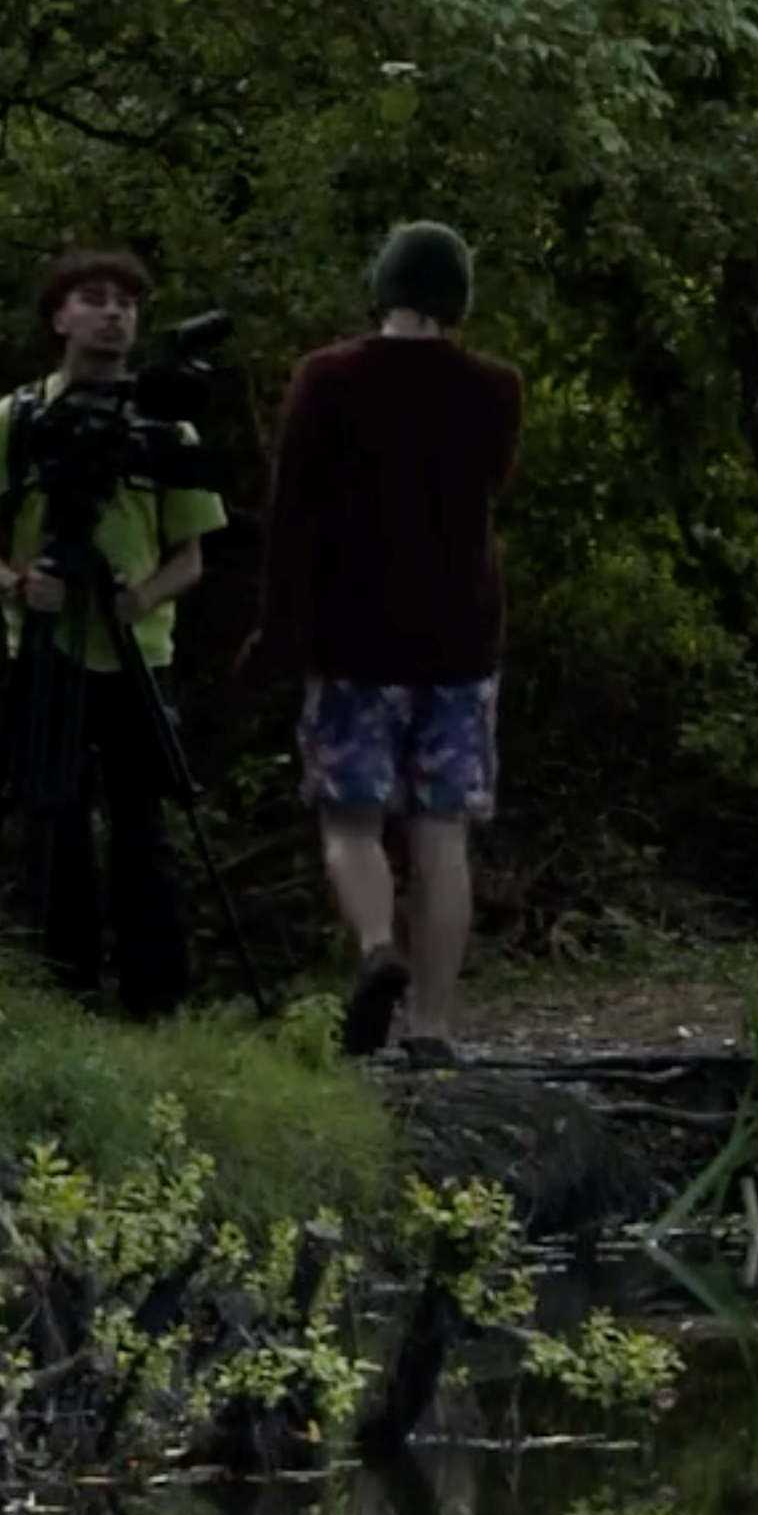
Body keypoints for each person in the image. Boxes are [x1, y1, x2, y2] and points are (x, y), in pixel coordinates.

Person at [247, 222, 522, 1063]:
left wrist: (276, 630)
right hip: (461, 643)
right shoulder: (495, 390)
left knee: (352, 821)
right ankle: (433, 1028)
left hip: (353, 641)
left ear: (384, 287)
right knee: (443, 834)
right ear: (458, 300)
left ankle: (375, 947)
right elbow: (492, 490)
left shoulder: (325, 380)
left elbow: (290, 515)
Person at [0, 245, 225, 1019]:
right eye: (94, 299)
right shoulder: (14, 421)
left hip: (141, 651)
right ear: (58, 316)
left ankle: (156, 1004)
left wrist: (143, 596)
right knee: (52, 820)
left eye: (127, 303)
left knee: (145, 827)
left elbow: (192, 557)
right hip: (47, 650)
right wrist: (17, 584)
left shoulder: (168, 426)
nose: (113, 314)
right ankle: (58, 995)